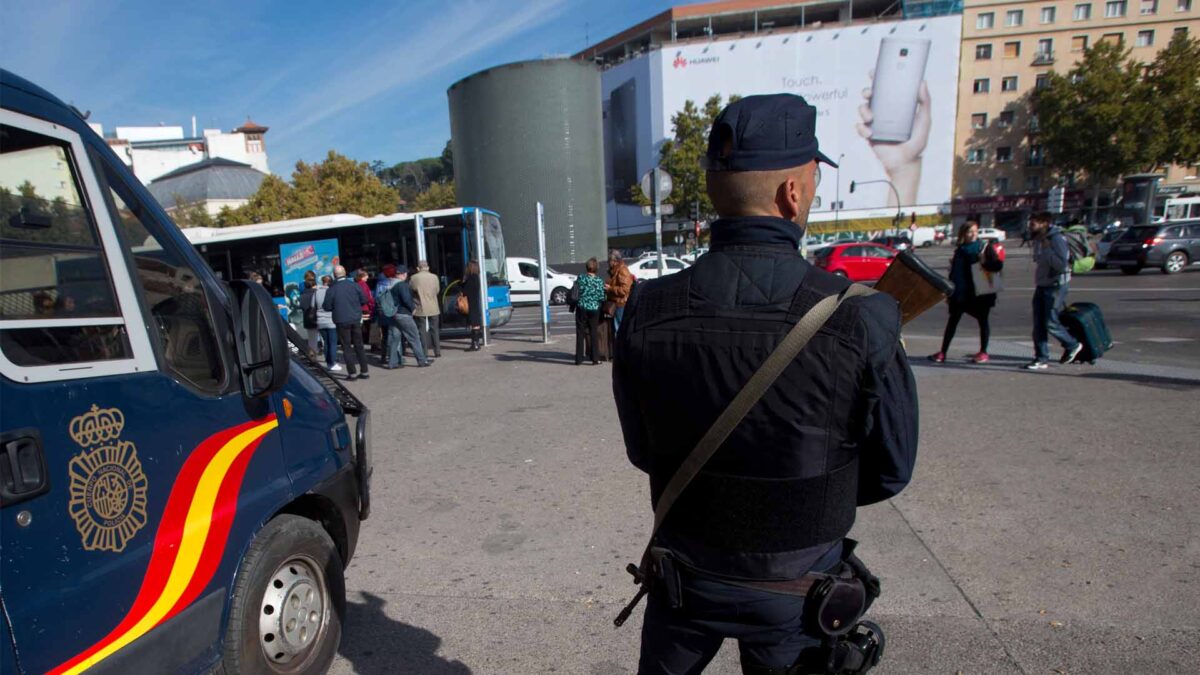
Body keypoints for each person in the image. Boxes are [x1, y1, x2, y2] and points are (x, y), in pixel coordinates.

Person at [613, 94, 918, 674]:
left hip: (685, 579)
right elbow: (891, 470)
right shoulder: (864, 314)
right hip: (799, 594)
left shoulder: (647, 309)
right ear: (793, 193)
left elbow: (641, 449)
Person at [928, 220, 998, 364]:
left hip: (979, 293)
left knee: (983, 322)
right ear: (963, 234)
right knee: (952, 322)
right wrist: (949, 292)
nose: (973, 234)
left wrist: (984, 262)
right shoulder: (960, 250)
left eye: (975, 231)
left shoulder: (984, 248)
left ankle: (983, 352)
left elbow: (997, 266)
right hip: (960, 293)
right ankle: (943, 352)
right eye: (970, 231)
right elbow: (955, 273)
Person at [1026, 211, 1080, 370]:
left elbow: (1061, 264)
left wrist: (1048, 250)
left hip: (1056, 285)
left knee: (1050, 321)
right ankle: (1041, 357)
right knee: (1038, 324)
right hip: (1042, 284)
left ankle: (1072, 344)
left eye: (1033, 223)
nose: (1030, 226)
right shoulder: (1040, 239)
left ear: (1044, 223)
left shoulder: (1056, 239)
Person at [323, 265, 370, 380]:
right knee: (359, 345)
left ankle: (352, 373)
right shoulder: (355, 285)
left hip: (341, 320)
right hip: (355, 318)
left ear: (334, 275)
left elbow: (327, 306)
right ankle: (364, 371)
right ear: (345, 273)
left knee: (346, 347)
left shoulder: (332, 289)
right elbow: (364, 299)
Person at [382, 265, 432, 369]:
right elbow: (406, 299)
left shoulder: (390, 284)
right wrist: (413, 308)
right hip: (404, 314)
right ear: (404, 274)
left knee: (395, 338)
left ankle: (393, 362)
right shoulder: (402, 285)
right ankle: (422, 360)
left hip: (393, 314)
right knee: (414, 337)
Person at [574, 257, 605, 366]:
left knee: (580, 333)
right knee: (593, 332)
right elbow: (602, 297)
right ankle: (595, 359)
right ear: (596, 268)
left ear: (587, 267)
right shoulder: (599, 281)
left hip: (582, 307)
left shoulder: (581, 278)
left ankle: (578, 358)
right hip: (594, 309)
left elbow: (576, 291)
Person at [411, 260, 442, 358]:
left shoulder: (414, 278)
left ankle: (424, 352)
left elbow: (411, 290)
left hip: (420, 306)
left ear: (418, 268)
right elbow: (437, 290)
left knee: (422, 330)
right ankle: (437, 351)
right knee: (435, 329)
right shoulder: (434, 277)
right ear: (428, 267)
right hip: (433, 306)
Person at [605, 251, 634, 332]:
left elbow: (625, 290)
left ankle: (620, 344)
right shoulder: (615, 270)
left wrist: (610, 288)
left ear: (614, 261)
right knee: (616, 327)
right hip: (616, 303)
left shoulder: (622, 270)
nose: (608, 263)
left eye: (609, 261)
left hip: (621, 304)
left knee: (619, 328)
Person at [315, 275, 339, 371]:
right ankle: (333, 363)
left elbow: (313, 305)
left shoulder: (317, 292)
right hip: (331, 320)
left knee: (326, 343)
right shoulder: (332, 291)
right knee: (332, 343)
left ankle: (328, 362)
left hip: (320, 321)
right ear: (330, 281)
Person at [463, 260, 484, 351]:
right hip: (475, 302)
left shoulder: (470, 278)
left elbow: (465, 291)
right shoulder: (476, 277)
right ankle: (476, 343)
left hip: (470, 302)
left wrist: (463, 283)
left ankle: (474, 344)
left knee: (474, 323)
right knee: (476, 323)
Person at [299, 277, 321, 358]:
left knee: (311, 338)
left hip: (308, 318)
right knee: (324, 337)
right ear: (314, 285)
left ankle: (313, 354)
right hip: (319, 317)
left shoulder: (302, 295)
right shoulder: (317, 293)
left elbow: (301, 306)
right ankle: (327, 355)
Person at [356, 269, 376, 353]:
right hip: (365, 308)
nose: (368, 277)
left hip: (359, 308)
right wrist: (373, 305)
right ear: (362, 276)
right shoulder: (364, 285)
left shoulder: (356, 284)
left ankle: (360, 344)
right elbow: (368, 297)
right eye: (366, 275)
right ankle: (370, 345)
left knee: (361, 327)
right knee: (368, 327)